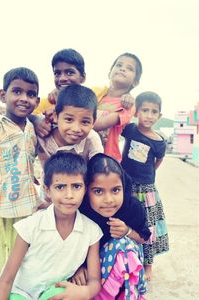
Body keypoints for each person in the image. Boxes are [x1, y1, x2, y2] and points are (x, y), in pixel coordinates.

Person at [0, 152, 103, 300]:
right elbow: (5, 279)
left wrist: (85, 292)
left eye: (76, 186)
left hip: (52, 292)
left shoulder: (92, 231)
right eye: (60, 187)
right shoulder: (30, 226)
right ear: (47, 190)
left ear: (85, 189)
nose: (69, 195)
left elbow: (94, 281)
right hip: (20, 292)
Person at [54, 153, 151, 300]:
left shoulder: (132, 208)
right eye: (98, 191)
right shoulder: (80, 211)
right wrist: (77, 268)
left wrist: (127, 231)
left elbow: (144, 238)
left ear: (124, 187)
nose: (108, 200)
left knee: (123, 245)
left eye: (116, 190)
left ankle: (126, 295)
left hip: (120, 268)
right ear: (86, 191)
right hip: (86, 265)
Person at [121, 91, 169, 280]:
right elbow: (114, 128)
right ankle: (127, 259)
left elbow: (158, 160)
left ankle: (148, 265)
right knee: (128, 222)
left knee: (148, 226)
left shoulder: (159, 141)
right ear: (136, 112)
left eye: (153, 111)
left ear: (159, 116)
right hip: (127, 185)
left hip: (147, 188)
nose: (149, 115)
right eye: (144, 110)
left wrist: (149, 174)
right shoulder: (130, 129)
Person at [0, 67, 42, 272]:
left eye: (31, 94)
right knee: (2, 259)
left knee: (23, 261)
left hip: (27, 207)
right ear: (2, 95)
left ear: (37, 100)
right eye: (17, 91)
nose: (24, 98)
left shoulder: (34, 128)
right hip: (1, 207)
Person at [37, 84, 103, 167]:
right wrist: (35, 120)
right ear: (56, 117)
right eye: (69, 120)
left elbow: (99, 170)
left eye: (85, 122)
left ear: (93, 122)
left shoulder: (91, 138)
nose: (76, 129)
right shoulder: (42, 136)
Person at [93, 52, 142, 161]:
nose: (122, 69)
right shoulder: (96, 95)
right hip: (85, 154)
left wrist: (76, 123)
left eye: (129, 68)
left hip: (106, 161)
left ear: (135, 82)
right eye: (119, 65)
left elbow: (101, 124)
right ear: (110, 72)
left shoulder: (128, 105)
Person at [31, 48, 86, 137]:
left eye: (69, 72)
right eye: (57, 73)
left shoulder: (90, 100)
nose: (62, 78)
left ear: (83, 77)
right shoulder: (47, 102)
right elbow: (23, 116)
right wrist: (36, 120)